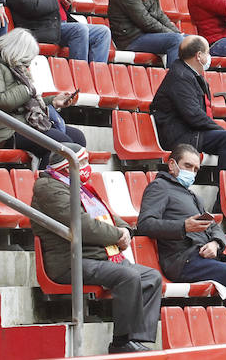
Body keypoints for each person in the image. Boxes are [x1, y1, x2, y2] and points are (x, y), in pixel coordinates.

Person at [30, 147, 161, 355]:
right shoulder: (50, 188)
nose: (86, 168)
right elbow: (82, 226)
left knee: (151, 277)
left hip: (98, 256)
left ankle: (137, 338)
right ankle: (121, 342)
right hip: (70, 262)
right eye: (81, 163)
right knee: (128, 276)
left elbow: (108, 215)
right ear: (66, 167)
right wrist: (117, 236)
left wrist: (125, 230)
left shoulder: (80, 187)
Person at [136, 144, 226, 304]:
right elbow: (145, 224)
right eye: (187, 166)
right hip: (184, 261)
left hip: (204, 258)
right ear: (172, 164)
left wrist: (215, 243)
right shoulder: (159, 187)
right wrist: (183, 227)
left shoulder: (193, 195)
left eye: (195, 169)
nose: (191, 173)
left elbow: (213, 226)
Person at [0, 28, 86, 160]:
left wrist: (52, 101)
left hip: (20, 124)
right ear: (16, 52)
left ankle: (66, 179)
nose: (28, 63)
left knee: (77, 138)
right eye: (26, 59)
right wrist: (27, 89)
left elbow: (25, 101)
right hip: (2, 131)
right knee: (62, 144)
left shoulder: (14, 69)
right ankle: (48, 180)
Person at [150, 35, 226, 170]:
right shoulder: (180, 77)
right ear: (199, 56)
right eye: (207, 52)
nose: (209, 56)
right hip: (179, 136)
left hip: (193, 132)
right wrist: (219, 130)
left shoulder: (190, 74)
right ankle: (225, 189)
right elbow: (193, 115)